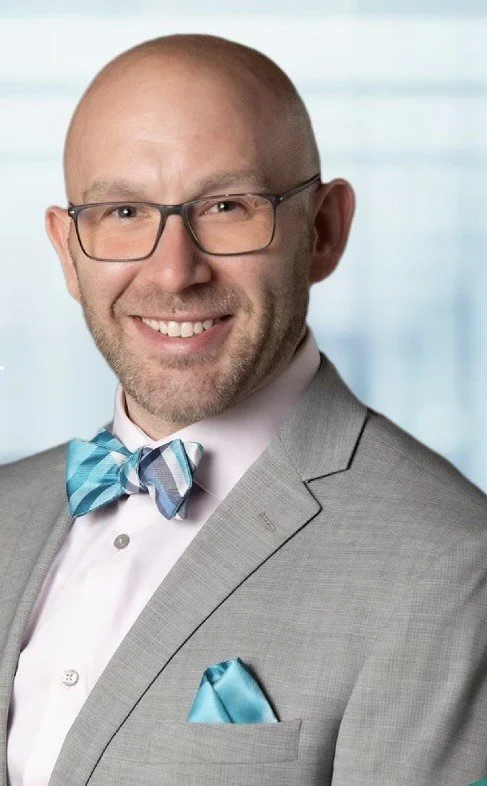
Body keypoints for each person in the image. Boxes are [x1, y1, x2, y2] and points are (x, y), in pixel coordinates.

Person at [0, 33, 486, 786]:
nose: (174, 271)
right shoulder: (7, 510)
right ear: (68, 251)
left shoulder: (451, 565)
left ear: (323, 231)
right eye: (123, 210)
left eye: (227, 205)